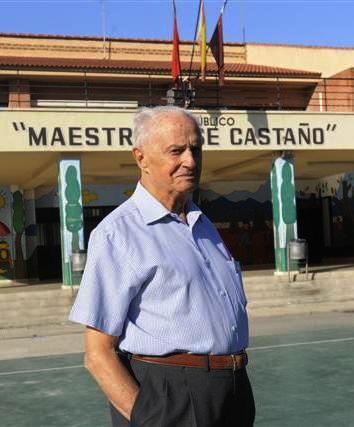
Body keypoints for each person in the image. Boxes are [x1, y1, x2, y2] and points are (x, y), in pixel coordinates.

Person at [69, 106, 255, 427]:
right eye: (176, 151)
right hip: (173, 395)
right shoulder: (119, 233)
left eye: (196, 149)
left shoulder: (203, 224)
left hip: (233, 391)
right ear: (141, 158)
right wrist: (149, 418)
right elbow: (97, 354)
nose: (191, 161)